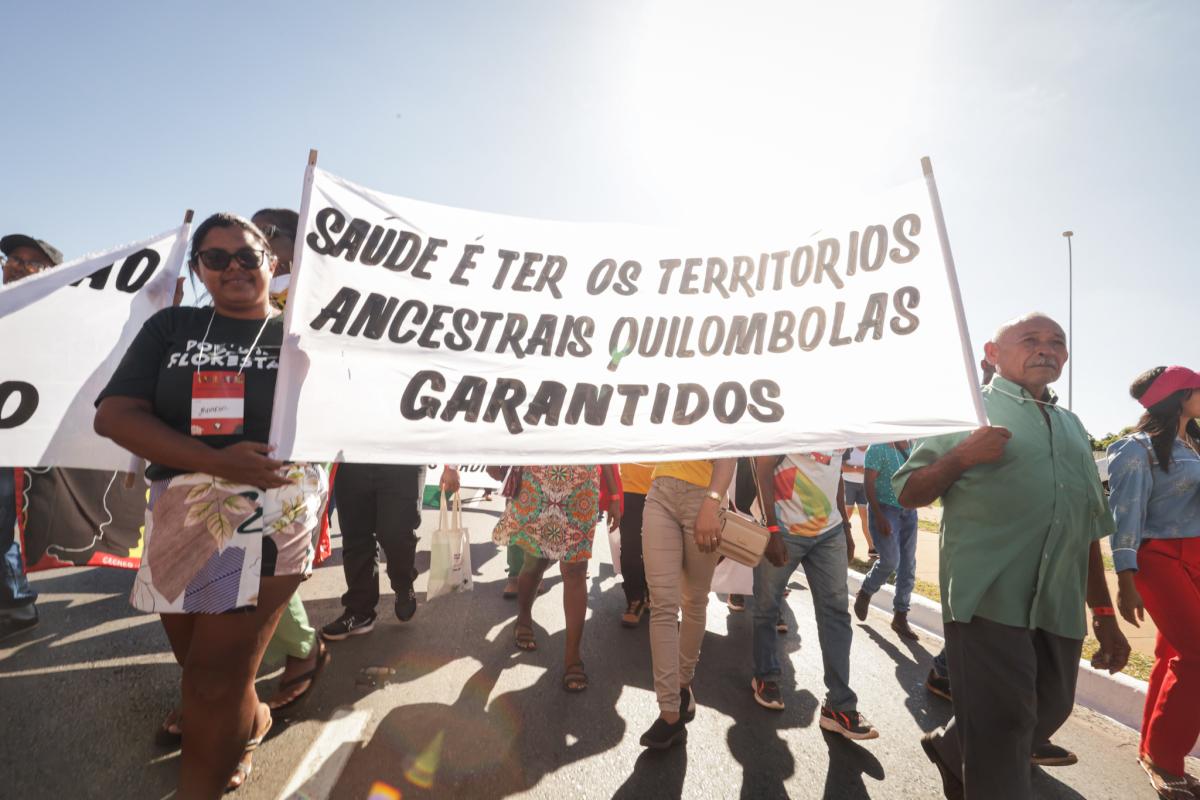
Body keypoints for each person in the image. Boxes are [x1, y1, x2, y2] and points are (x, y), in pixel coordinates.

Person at [94, 213, 329, 797]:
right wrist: (219, 461)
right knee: (200, 665)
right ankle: (251, 726)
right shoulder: (173, 327)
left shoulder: (305, 335)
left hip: (274, 506)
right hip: (185, 506)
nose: (234, 267)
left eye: (247, 255)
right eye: (216, 258)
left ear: (272, 263)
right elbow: (116, 415)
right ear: (199, 270)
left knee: (210, 683)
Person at [894, 313, 1130, 800]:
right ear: (992, 354)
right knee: (1005, 725)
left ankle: (953, 746)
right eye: (1031, 340)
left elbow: (1087, 524)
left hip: (1058, 602)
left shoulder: (1071, 426)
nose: (1047, 349)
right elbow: (909, 491)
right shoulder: (967, 410)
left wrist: (1103, 612)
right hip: (988, 594)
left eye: (1057, 342)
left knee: (1050, 708)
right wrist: (960, 456)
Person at [1108, 366, 1200, 798]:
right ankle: (1166, 758)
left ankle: (1151, 749)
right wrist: (1125, 579)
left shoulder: (1194, 445)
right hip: (1158, 558)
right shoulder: (1135, 448)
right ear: (1178, 396)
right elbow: (1125, 514)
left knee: (1172, 655)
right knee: (1199, 655)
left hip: (1196, 558)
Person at [750, 452, 879, 740]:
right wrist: (771, 528)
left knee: (836, 613)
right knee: (767, 608)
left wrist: (845, 527)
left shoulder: (837, 419)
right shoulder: (789, 416)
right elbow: (764, 467)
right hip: (783, 527)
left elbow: (836, 477)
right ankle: (766, 676)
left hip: (828, 531)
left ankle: (839, 706)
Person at [493, 464, 620, 692]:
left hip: (581, 486)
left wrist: (614, 494)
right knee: (534, 561)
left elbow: (605, 439)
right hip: (538, 479)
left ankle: (572, 657)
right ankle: (523, 619)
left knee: (576, 570)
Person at [638, 459, 734, 749]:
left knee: (693, 600)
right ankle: (669, 714)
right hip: (660, 493)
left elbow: (729, 451)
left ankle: (682, 687)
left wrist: (712, 502)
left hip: (705, 496)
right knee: (663, 604)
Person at [0, 234, 63, 642]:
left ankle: (18, 603)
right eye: (12, 258)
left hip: (17, 436)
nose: (18, 266)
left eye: (31, 263)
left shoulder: (57, 317)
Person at [320, 461, 459, 639]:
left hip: (402, 459)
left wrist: (451, 466)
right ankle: (359, 611)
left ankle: (403, 582)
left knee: (396, 533)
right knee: (355, 535)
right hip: (352, 458)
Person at [854, 440, 920, 640]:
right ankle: (866, 591)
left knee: (908, 565)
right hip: (884, 510)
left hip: (909, 510)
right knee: (891, 561)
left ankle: (900, 616)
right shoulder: (877, 448)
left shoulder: (912, 445)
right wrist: (879, 515)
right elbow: (868, 483)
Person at [618, 462, 653, 626]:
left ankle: (650, 594)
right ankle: (634, 599)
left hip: (664, 490)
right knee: (630, 549)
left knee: (657, 551)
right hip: (630, 490)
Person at [843, 446, 876, 558]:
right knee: (847, 513)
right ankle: (840, 543)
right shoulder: (851, 447)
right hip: (848, 483)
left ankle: (872, 548)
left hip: (864, 485)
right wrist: (857, 469)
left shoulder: (871, 449)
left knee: (865, 516)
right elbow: (842, 467)